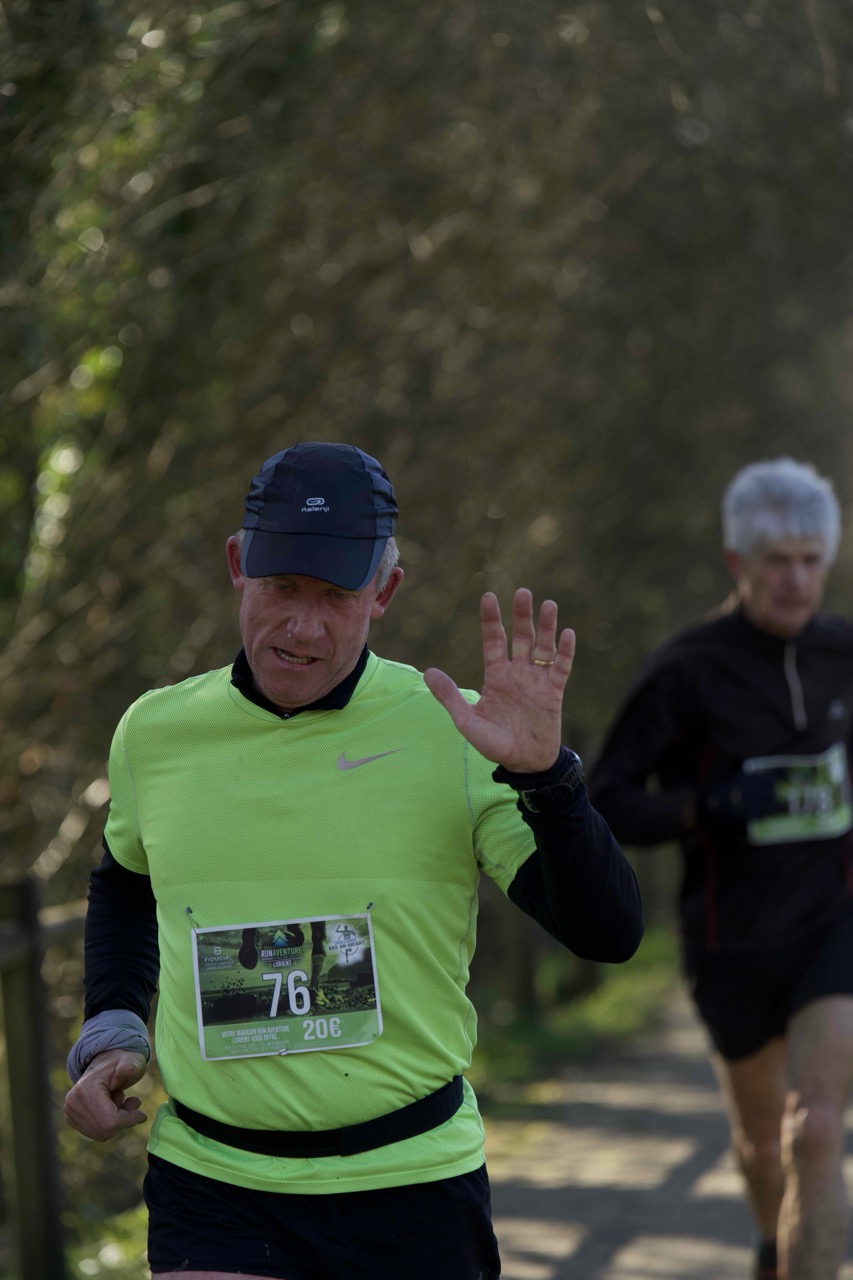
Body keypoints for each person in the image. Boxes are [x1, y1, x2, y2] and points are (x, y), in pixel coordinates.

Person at [64, 440, 643, 1280]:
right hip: (214, 1183)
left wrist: (547, 779)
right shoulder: (153, 732)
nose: (302, 626)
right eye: (281, 588)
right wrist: (113, 1027)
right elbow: (124, 885)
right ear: (237, 565)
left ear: (385, 592)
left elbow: (608, 933)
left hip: (410, 1185)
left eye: (335, 596)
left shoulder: (461, 734)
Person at [588, 457, 853, 1280]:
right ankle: (774, 1248)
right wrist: (709, 805)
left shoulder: (844, 653)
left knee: (816, 1131)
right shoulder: (686, 668)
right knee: (762, 1146)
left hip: (832, 924)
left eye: (810, 560)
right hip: (729, 939)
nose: (795, 579)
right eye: (777, 561)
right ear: (737, 561)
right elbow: (605, 800)